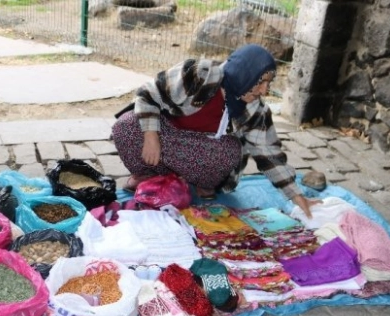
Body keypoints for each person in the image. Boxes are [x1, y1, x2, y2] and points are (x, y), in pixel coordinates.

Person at [111, 44, 319, 218]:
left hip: (203, 150)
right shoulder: (198, 74)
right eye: (260, 81)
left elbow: (269, 154)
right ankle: (147, 175)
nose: (264, 90)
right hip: (167, 135)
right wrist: (151, 135)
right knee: (126, 126)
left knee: (230, 152)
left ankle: (201, 182)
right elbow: (147, 94)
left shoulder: (256, 110)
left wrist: (296, 196)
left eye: (268, 83)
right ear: (244, 74)